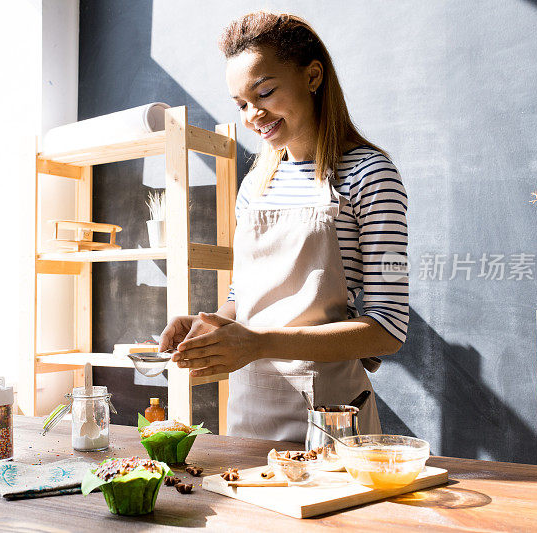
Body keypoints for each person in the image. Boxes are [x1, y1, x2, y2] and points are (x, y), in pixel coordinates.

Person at [159, 11, 409, 441]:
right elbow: (246, 295)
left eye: (265, 92)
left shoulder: (370, 175)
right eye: (240, 105)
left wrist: (258, 342)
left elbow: (388, 330)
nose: (253, 115)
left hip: (330, 420)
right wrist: (213, 324)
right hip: (249, 413)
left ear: (313, 76)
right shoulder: (256, 184)